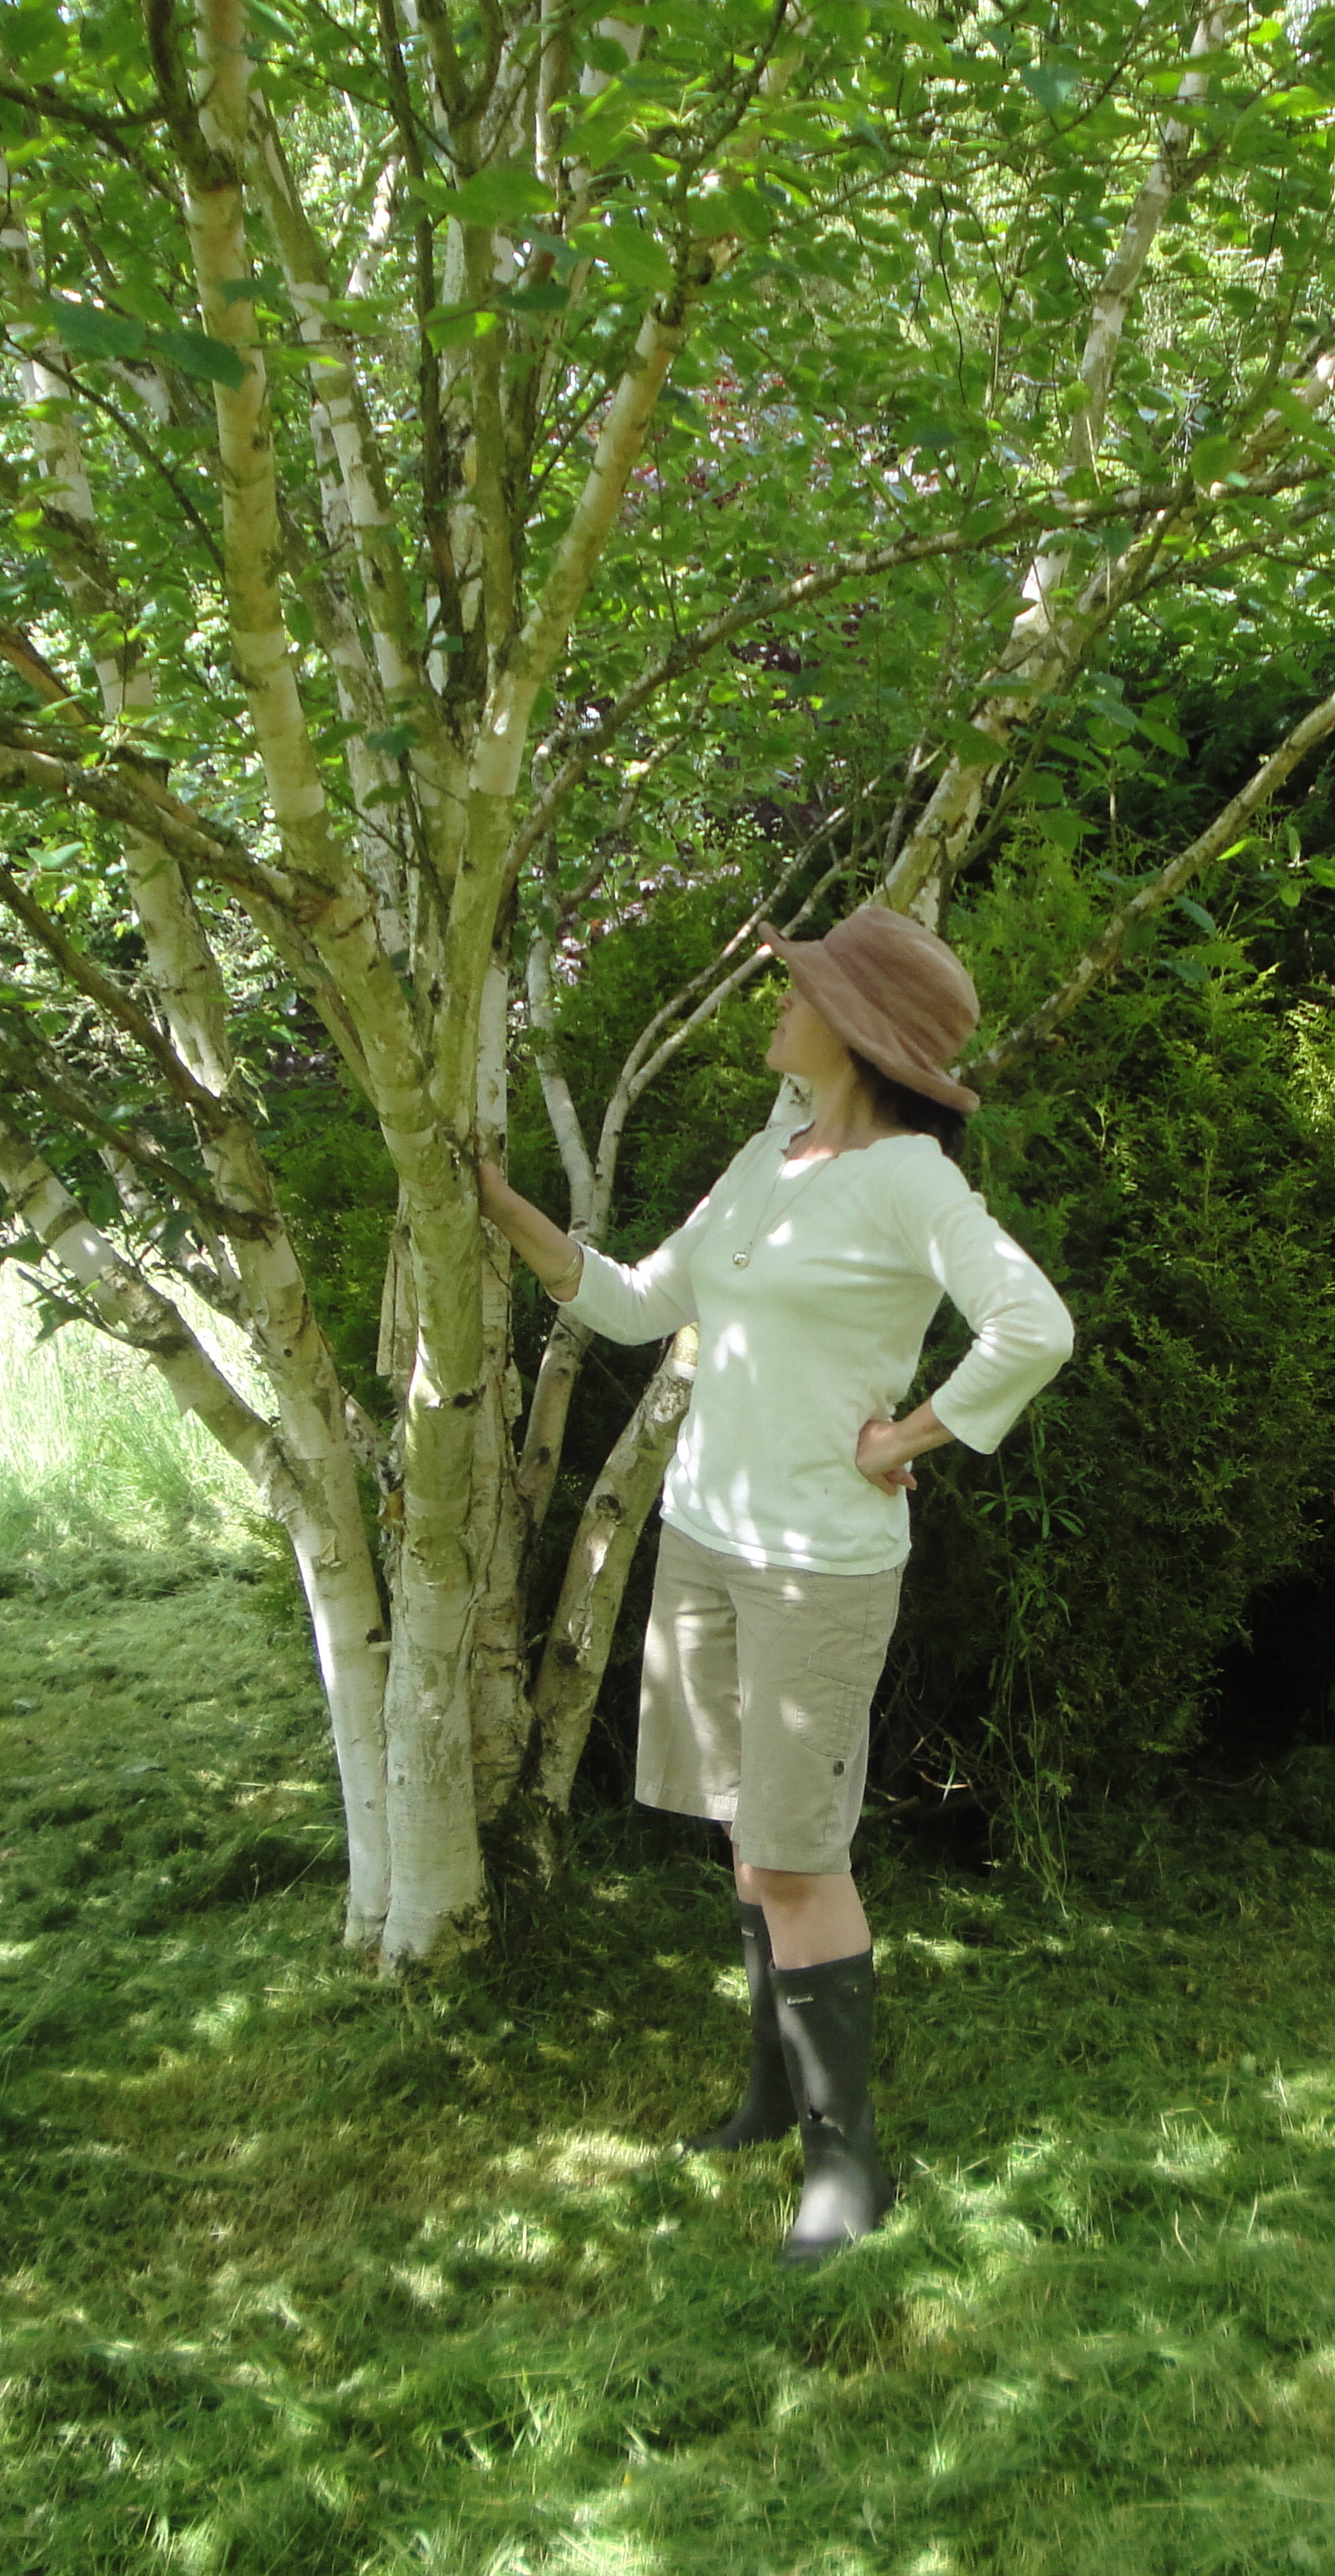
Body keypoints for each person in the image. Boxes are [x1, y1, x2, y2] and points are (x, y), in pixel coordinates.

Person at [475, 903, 1074, 2263]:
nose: (775, 996)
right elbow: (635, 1303)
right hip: (706, 1537)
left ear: (854, 1031)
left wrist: (910, 1435)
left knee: (798, 1860)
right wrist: (506, 1213)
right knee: (749, 1842)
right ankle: (768, 2094)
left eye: (797, 987)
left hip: (818, 1568)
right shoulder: (769, 1153)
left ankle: (843, 2170)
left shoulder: (911, 1179)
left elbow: (1037, 1324)